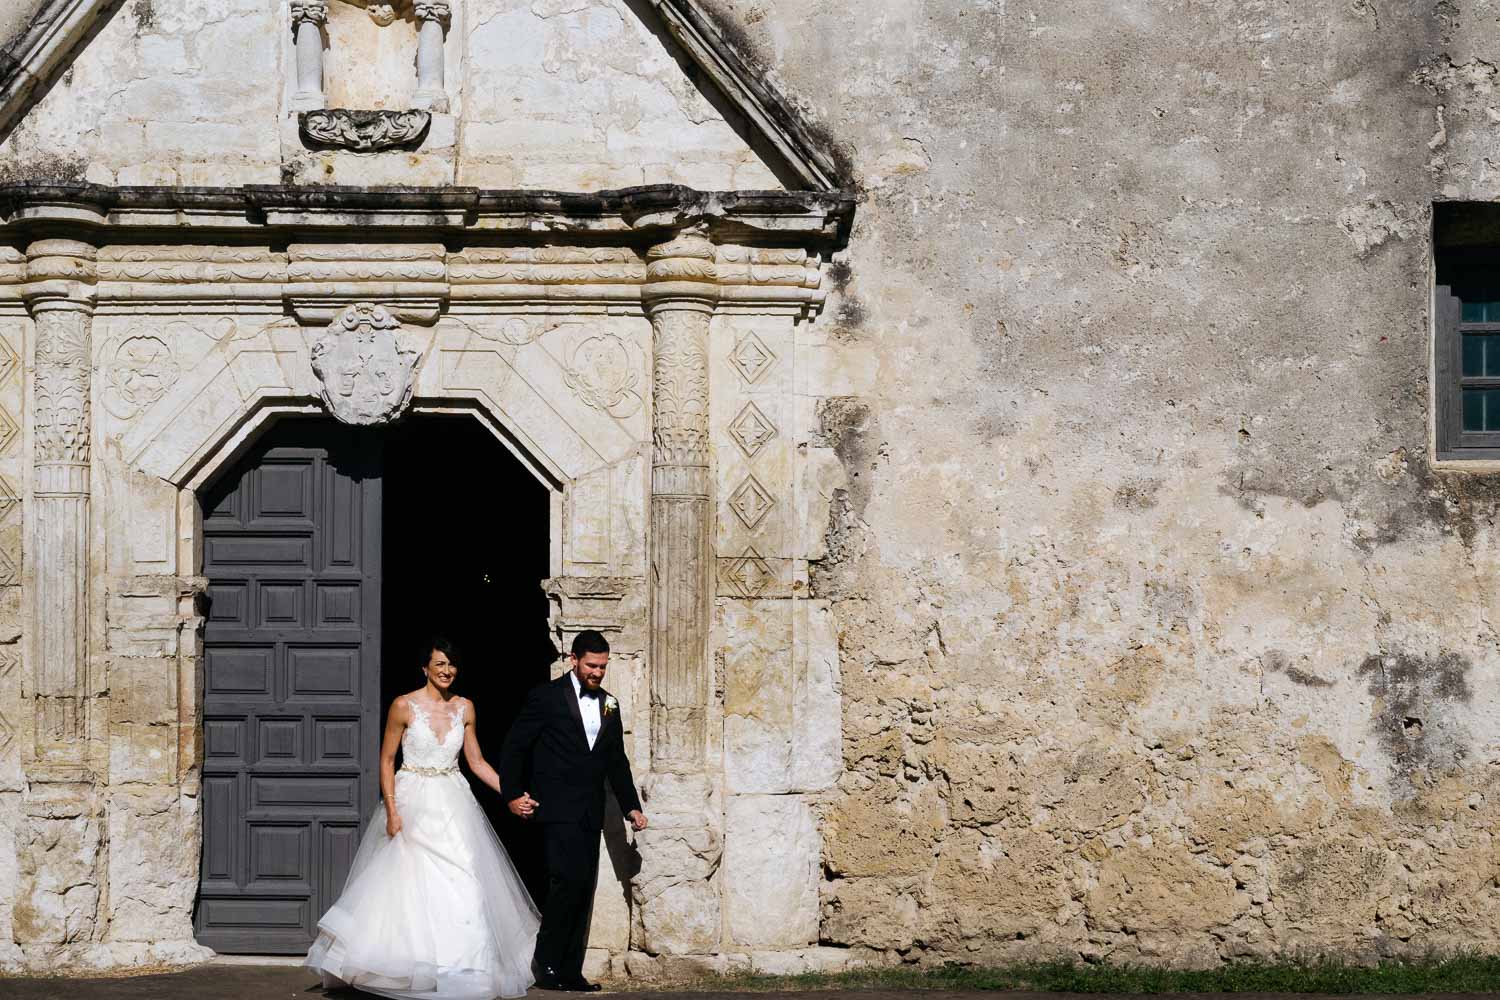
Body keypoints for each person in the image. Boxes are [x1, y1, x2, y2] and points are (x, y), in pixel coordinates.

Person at [305, 637, 540, 1000]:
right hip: (413, 798)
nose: (447, 671)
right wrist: (393, 810)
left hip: (453, 801)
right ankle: (409, 964)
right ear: (425, 668)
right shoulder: (404, 706)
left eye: (452, 665)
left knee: (464, 879)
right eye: (440, 664)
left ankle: (462, 968)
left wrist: (509, 794)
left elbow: (476, 762)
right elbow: (386, 760)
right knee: (409, 883)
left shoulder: (465, 708)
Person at [501, 630, 648, 993]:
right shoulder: (545, 697)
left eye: (603, 666)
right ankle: (547, 963)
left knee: (583, 887)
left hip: (589, 812)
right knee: (564, 883)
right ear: (573, 660)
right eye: (591, 665)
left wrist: (631, 806)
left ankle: (570, 970)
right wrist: (512, 794)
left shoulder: (610, 704)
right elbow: (515, 747)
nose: (598, 672)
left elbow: (617, 761)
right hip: (554, 809)